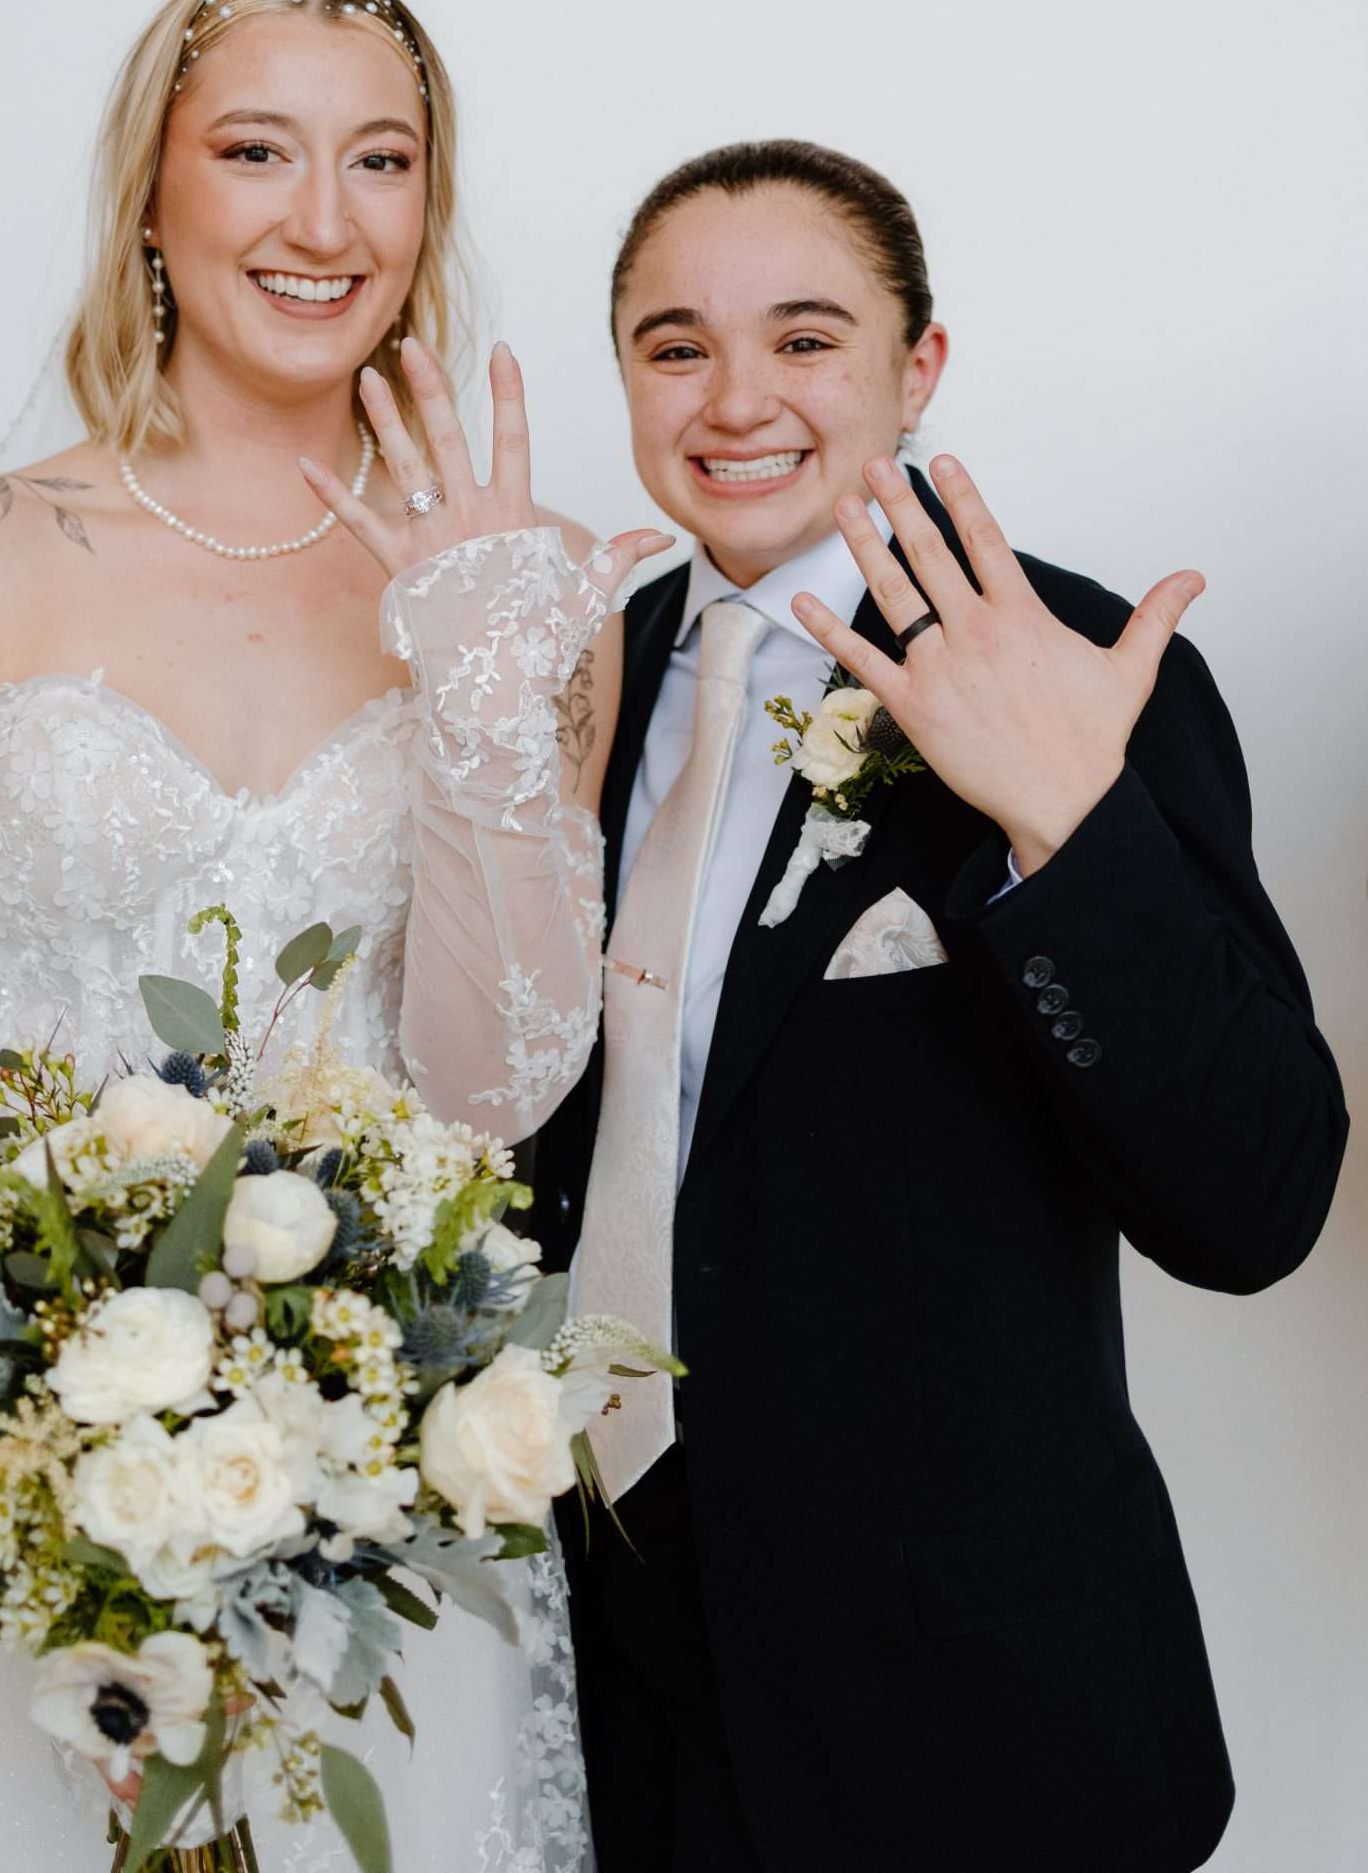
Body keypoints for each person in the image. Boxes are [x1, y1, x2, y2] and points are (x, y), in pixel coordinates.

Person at [0, 0, 669, 1873]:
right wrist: (47, 1449)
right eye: (257, 150)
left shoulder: (528, 593)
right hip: (12, 1523)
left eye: (382, 163)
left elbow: (499, 1094)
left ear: (431, 206)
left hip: (386, 1524)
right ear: (151, 191)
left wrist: (489, 713)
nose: (324, 224)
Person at [532, 138, 1348, 1873]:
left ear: (921, 366)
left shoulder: (1075, 665)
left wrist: (1070, 824)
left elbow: (1254, 1205)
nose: (735, 396)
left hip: (966, 1714)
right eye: (674, 344)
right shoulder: (565, 680)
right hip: (610, 1688)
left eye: (806, 336)